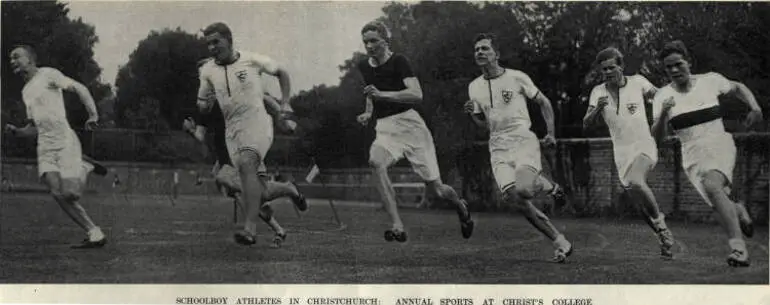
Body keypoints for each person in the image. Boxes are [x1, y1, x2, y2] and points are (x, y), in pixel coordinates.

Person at [355, 21, 474, 242]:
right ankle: (397, 224)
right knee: (375, 162)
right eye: (365, 42)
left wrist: (384, 95)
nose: (369, 46)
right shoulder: (364, 66)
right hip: (386, 128)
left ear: (385, 40)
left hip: (411, 127)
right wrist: (368, 112)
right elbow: (371, 92)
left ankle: (461, 206)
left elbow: (416, 94)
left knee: (438, 190)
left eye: (373, 41)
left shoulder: (399, 62)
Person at [651, 40, 761, 267]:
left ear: (688, 62)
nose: (674, 70)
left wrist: (755, 107)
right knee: (717, 198)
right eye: (668, 67)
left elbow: (738, 87)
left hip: (718, 143)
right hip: (691, 155)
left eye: (678, 64)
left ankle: (738, 249)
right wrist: (663, 113)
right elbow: (657, 137)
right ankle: (739, 210)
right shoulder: (662, 96)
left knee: (713, 186)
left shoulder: (710, 80)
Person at [464, 33, 572, 263]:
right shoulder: (473, 88)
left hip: (522, 139)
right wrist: (473, 117)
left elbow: (544, 102)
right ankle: (559, 240)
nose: (480, 53)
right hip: (498, 146)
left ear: (497, 54)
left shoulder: (516, 77)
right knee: (516, 198)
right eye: (476, 50)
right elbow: (485, 126)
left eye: (485, 49)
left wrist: (550, 133)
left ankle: (549, 186)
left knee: (524, 190)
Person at [196, 22, 304, 246]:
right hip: (232, 136)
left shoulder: (251, 60)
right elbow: (202, 107)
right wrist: (203, 107)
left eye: (216, 42)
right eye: (208, 44)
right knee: (259, 192)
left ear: (229, 39)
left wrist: (284, 107)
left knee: (244, 165)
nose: (212, 48)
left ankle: (250, 229)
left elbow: (281, 74)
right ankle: (289, 190)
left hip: (258, 127)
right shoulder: (208, 74)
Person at [5, 44, 107, 249]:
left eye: (17, 57)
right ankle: (94, 232)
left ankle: (85, 166)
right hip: (45, 146)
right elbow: (33, 128)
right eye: (10, 59)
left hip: (64, 141)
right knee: (56, 192)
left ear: (30, 59)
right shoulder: (26, 92)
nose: (12, 61)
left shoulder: (48, 74)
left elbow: (80, 88)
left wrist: (93, 114)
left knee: (71, 194)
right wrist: (17, 131)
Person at [582, 47, 675, 259]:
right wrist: (597, 109)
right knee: (640, 204)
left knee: (636, 180)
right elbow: (586, 123)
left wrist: (667, 111)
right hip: (621, 153)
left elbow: (659, 95)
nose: (607, 72)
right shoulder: (597, 92)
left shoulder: (638, 82)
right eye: (603, 69)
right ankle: (662, 237)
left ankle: (662, 226)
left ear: (621, 66)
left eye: (611, 67)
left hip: (644, 144)